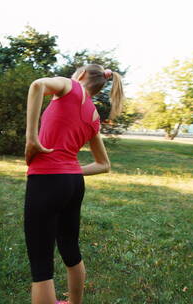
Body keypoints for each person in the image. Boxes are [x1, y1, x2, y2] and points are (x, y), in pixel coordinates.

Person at [24, 64, 124, 304]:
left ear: (80, 75)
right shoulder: (94, 116)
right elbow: (103, 164)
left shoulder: (70, 86)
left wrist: (31, 139)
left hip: (46, 181)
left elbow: (37, 85)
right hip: (73, 184)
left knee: (41, 264)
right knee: (70, 248)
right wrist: (69, 172)